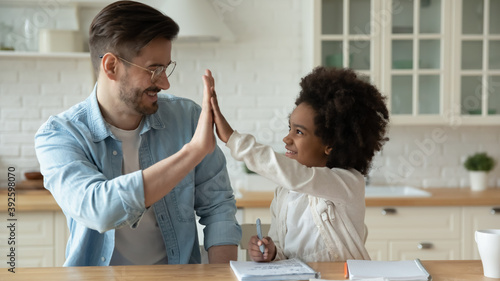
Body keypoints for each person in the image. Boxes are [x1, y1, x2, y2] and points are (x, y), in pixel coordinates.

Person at [34, 1, 241, 266]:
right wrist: (193, 152)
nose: (165, 83)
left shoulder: (187, 119)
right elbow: (97, 209)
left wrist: (220, 275)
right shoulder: (60, 135)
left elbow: (218, 207)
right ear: (111, 66)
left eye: (166, 68)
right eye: (154, 69)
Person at [210, 66, 389, 262]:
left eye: (299, 132)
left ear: (329, 144)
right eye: (290, 128)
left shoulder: (346, 183)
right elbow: (283, 251)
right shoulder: (284, 193)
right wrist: (271, 252)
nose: (287, 138)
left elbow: (296, 176)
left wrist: (231, 139)